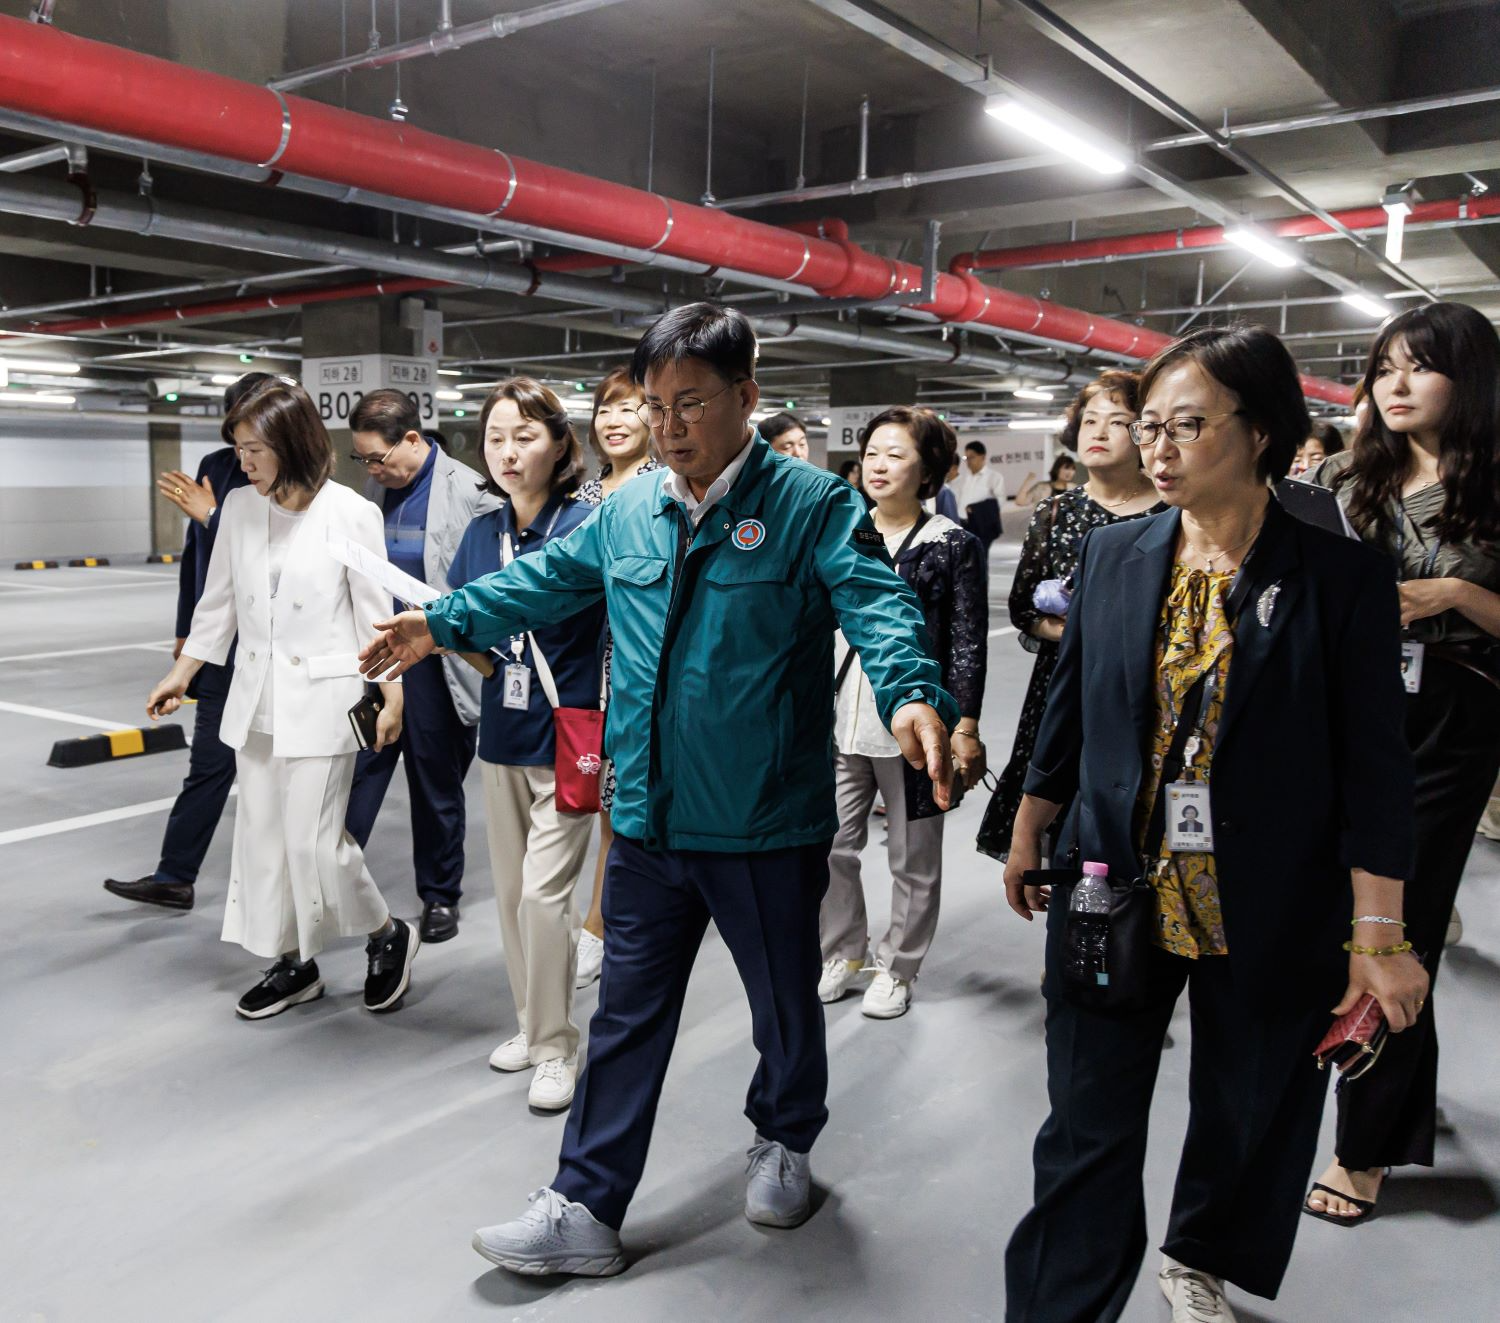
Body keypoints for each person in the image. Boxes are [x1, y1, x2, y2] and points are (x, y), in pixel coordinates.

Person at [358, 302, 956, 1276]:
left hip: (762, 819)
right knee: (626, 1015)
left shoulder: (811, 505)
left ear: (746, 397)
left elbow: (878, 607)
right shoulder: (629, 509)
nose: (670, 426)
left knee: (783, 1007)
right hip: (646, 816)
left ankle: (784, 1138)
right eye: (655, 405)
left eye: (691, 403)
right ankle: (584, 1202)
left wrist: (914, 694)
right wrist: (442, 621)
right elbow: (545, 580)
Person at [1001, 325, 1429, 1323]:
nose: (1156, 447)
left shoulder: (1341, 578)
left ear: (1261, 429)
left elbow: (1377, 770)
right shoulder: (1115, 553)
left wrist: (1379, 935)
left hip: (1271, 893)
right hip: (1113, 881)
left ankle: (1199, 1255)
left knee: (1249, 1110)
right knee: (1085, 1123)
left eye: (1185, 425)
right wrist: (1029, 829)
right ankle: (1060, 1305)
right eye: (1147, 426)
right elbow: (1070, 708)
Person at [1305, 301, 1500, 1224]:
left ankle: (1367, 1144)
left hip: (1451, 718)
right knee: (1324, 913)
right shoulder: (1342, 476)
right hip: (1339, 707)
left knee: (1394, 925)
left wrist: (1455, 591)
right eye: (1384, 366)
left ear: (1471, 378)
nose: (1396, 383)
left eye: (1420, 365)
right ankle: (1386, 1090)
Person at [145, 377, 419, 1019]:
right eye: (238, 449)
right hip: (256, 702)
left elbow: (374, 614)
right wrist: (182, 673)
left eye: (253, 450)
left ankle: (386, 934)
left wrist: (392, 694)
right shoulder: (240, 508)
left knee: (315, 845)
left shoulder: (351, 513)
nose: (242, 462)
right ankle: (295, 963)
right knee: (265, 842)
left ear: (291, 444)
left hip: (324, 700)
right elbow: (217, 606)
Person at [441, 377, 604, 1114]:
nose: (507, 452)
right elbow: (459, 623)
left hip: (571, 736)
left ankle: (556, 1045)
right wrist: (487, 660)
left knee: (544, 899)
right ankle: (533, 1023)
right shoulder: (482, 533)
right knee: (511, 899)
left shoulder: (585, 526)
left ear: (561, 444)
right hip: (502, 736)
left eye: (525, 437)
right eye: (496, 438)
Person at [819, 407, 987, 1018]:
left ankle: (898, 965)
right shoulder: (839, 530)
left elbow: (966, 640)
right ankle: (843, 950)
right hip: (840, 718)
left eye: (896, 455)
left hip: (916, 728)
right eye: (872, 453)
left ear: (928, 469)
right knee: (829, 844)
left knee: (912, 857)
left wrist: (965, 725)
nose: (878, 465)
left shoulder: (950, 543)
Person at [978, 370, 1161, 862]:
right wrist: (1080, 632)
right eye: (1089, 420)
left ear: (1144, 432)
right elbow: (1022, 606)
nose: (1098, 432)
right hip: (1062, 682)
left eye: (1116, 421)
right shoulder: (1055, 512)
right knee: (1053, 807)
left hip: (1141, 683)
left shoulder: (1170, 512)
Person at [104, 373, 269, 911]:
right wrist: (186, 629)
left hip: (274, 647)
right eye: (235, 434)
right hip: (220, 645)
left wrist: (213, 515)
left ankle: (288, 887)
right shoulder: (216, 467)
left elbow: (274, 551)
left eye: (251, 436)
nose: (243, 452)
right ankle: (175, 876)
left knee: (279, 772)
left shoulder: (299, 474)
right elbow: (198, 556)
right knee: (209, 764)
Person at [343, 389, 498, 944]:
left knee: (435, 782)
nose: (371, 469)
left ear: (413, 439)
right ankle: (335, 879)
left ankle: (439, 895)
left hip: (436, 658)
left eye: (377, 458)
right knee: (362, 768)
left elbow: (486, 579)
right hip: (381, 651)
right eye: (363, 460)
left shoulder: (472, 492)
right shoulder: (377, 489)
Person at [572, 366, 661, 989]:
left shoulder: (664, 488)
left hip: (634, 668)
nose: (615, 420)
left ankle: (602, 926)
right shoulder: (580, 497)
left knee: (621, 804)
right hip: (580, 668)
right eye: (606, 408)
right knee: (587, 797)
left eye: (630, 408)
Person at [951, 439, 1005, 568]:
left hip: (981, 524)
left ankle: (981, 581)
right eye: (966, 458)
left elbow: (999, 501)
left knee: (979, 561)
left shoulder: (994, 477)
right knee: (963, 561)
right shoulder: (963, 478)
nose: (968, 461)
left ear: (982, 457)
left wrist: (977, 509)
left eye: (972, 457)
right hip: (962, 523)